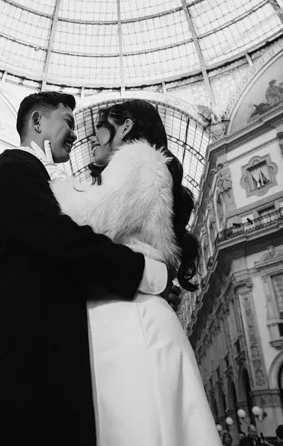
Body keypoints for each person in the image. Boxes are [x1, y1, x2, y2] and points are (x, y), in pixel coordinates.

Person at [0, 92, 173, 446]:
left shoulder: (39, 178)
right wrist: (138, 269)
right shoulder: (12, 168)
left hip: (33, 354)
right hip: (14, 351)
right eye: (69, 122)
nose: (76, 134)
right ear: (38, 122)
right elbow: (59, 239)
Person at [49, 100, 219, 446]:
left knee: (136, 424)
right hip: (128, 310)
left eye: (99, 127)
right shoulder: (131, 170)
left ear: (124, 127)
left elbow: (93, 222)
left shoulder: (140, 160)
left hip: (131, 319)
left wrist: (53, 188)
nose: (90, 138)